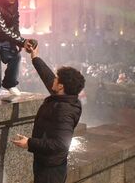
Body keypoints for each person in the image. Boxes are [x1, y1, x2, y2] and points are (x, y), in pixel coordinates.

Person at [11, 43, 85, 183]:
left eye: (57, 78)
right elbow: (48, 77)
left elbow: (60, 144)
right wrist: (35, 58)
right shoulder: (65, 97)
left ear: (61, 86)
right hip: (48, 162)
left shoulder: (64, 110)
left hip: (50, 170)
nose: (54, 79)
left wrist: (30, 143)